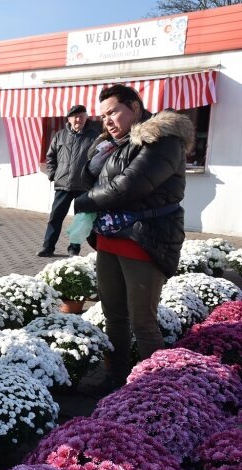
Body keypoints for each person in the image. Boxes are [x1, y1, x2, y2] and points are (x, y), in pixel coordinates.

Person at [73, 84, 194, 392]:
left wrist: (86, 201)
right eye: (103, 115)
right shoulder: (112, 144)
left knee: (143, 321)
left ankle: (156, 390)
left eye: (113, 111)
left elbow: (131, 185)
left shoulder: (163, 138)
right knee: (113, 315)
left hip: (144, 240)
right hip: (109, 238)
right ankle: (116, 378)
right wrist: (97, 154)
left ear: (135, 107)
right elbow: (87, 179)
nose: (107, 120)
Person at [38, 104, 99, 257]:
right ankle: (48, 247)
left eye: (82, 116)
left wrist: (93, 179)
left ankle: (74, 249)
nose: (79, 119)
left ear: (86, 117)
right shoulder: (60, 135)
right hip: (63, 184)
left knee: (79, 220)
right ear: (69, 119)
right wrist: (53, 174)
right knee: (55, 218)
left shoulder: (95, 135)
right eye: (76, 116)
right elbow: (50, 156)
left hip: (83, 185)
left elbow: (100, 159)